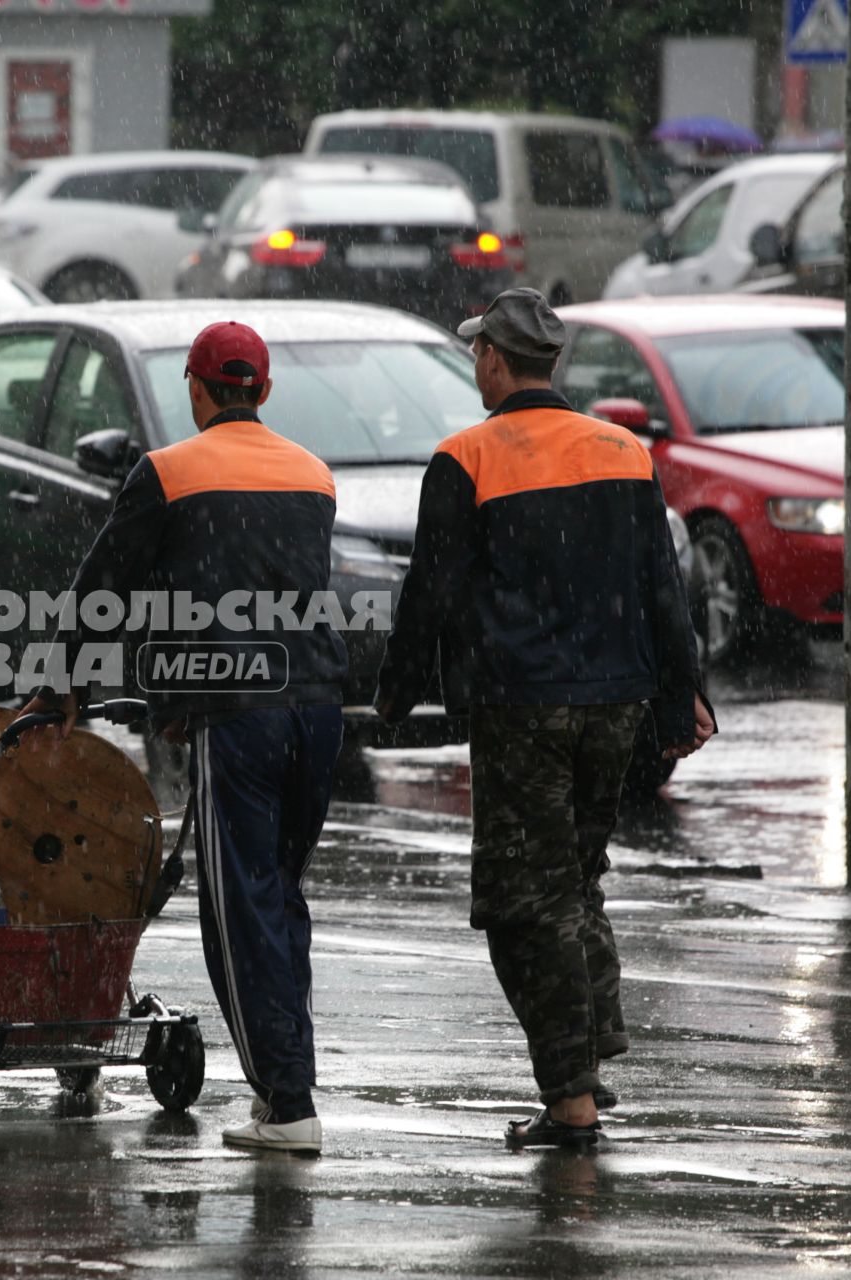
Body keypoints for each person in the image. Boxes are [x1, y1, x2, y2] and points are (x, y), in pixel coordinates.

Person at [375, 288, 716, 1150]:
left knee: (519, 906)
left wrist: (391, 697)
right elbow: (661, 588)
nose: (473, 365)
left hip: (522, 708)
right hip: (614, 706)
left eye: (475, 352)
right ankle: (591, 1049)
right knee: (575, 881)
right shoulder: (622, 450)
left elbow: (430, 591)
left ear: (494, 356)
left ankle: (571, 1100)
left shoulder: (466, 455)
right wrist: (681, 694)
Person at [23, 321, 348, 1155]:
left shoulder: (168, 472)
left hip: (237, 715)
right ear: (263, 392)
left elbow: (104, 586)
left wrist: (65, 682)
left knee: (238, 912)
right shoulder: (314, 474)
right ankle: (288, 1077)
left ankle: (286, 1101)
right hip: (315, 709)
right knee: (278, 896)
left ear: (196, 390)